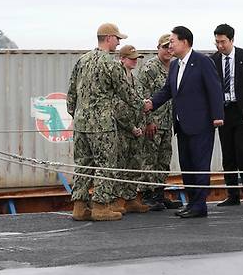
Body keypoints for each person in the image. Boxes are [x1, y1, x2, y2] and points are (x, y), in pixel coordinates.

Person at [66, 23, 145, 221]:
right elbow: (125, 92)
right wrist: (144, 105)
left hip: (81, 123)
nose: (119, 43)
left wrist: (76, 114)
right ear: (109, 38)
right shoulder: (110, 63)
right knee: (106, 164)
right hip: (102, 125)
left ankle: (79, 207)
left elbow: (71, 94)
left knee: (83, 164)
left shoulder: (82, 60)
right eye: (118, 39)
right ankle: (100, 207)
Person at [146, 26, 224, 218]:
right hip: (182, 125)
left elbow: (214, 89)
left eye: (172, 41)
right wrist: (151, 103)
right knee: (187, 165)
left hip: (201, 124)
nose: (170, 45)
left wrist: (218, 115)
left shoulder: (202, 62)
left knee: (199, 165)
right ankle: (192, 203)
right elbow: (168, 90)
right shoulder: (174, 65)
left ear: (185, 42)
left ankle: (200, 206)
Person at [210, 24, 243, 207]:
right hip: (223, 112)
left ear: (232, 40)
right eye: (217, 42)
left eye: (223, 42)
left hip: (242, 111)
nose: (220, 46)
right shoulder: (213, 60)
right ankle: (232, 193)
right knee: (228, 154)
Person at [137, 34, 182, 211]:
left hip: (167, 122)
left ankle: (159, 193)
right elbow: (142, 96)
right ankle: (147, 195)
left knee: (163, 159)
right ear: (158, 48)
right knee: (149, 159)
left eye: (170, 47)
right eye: (164, 47)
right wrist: (148, 121)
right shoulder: (149, 68)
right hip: (153, 123)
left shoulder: (175, 67)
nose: (168, 51)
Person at [113, 45, 150, 214]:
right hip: (121, 129)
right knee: (121, 165)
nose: (135, 61)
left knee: (134, 164)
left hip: (135, 128)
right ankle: (118, 200)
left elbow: (139, 103)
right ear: (122, 59)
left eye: (136, 58)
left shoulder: (134, 79)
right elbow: (118, 107)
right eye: (131, 58)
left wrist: (139, 126)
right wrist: (130, 127)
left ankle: (130, 198)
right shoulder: (117, 77)